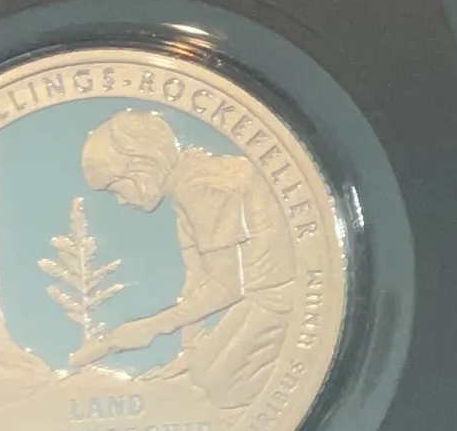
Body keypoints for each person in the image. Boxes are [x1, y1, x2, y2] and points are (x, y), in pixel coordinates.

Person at [63, 109, 290, 401]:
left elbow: (227, 286)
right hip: (263, 296)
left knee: (220, 384)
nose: (120, 201)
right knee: (204, 373)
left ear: (142, 165)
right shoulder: (185, 198)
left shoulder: (204, 190)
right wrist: (190, 352)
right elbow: (197, 282)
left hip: (282, 295)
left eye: (114, 188)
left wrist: (148, 328)